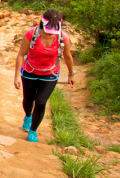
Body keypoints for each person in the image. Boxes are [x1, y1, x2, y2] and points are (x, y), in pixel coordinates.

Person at [14, 10, 74, 143]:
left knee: (41, 102)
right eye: (47, 30)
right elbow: (20, 54)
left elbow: (68, 56)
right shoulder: (31, 34)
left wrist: (71, 73)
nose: (49, 33)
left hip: (50, 74)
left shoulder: (63, 38)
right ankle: (28, 116)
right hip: (30, 72)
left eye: (52, 31)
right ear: (42, 24)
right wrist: (17, 75)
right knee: (28, 100)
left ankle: (33, 130)